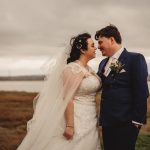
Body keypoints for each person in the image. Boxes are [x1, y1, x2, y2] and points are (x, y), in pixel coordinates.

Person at [17, 33, 101, 150]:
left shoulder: (89, 69)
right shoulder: (72, 68)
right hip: (77, 119)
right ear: (82, 49)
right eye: (92, 45)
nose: (96, 48)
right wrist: (70, 126)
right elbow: (68, 99)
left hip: (90, 118)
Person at [95, 24, 149, 150]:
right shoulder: (103, 63)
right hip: (107, 123)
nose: (98, 47)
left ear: (112, 40)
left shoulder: (135, 59)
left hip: (126, 124)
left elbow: (142, 91)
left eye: (100, 42)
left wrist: (136, 122)